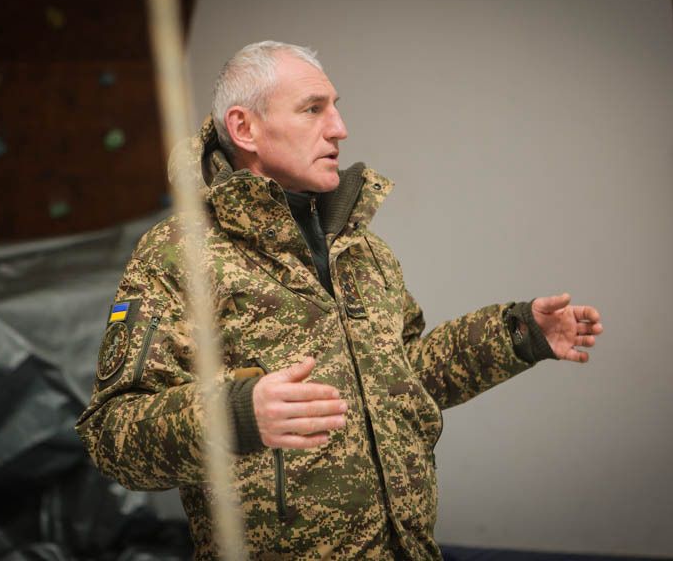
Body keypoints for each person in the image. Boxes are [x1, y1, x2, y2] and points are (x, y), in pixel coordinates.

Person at [75, 41, 604, 560]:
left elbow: (407, 376)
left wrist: (517, 334)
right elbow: (111, 436)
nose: (339, 128)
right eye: (313, 109)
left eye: (335, 107)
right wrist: (236, 415)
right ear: (244, 128)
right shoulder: (178, 254)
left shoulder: (361, 248)